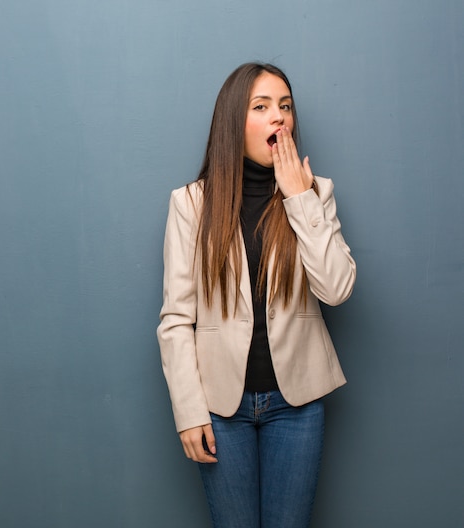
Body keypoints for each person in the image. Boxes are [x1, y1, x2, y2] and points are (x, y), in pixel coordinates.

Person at [157, 62, 356, 528]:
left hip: (298, 407)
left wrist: (298, 198)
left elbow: (337, 289)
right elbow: (175, 319)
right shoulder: (190, 203)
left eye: (285, 107)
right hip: (221, 407)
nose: (278, 117)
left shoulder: (316, 193)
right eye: (262, 106)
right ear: (233, 120)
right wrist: (188, 412)